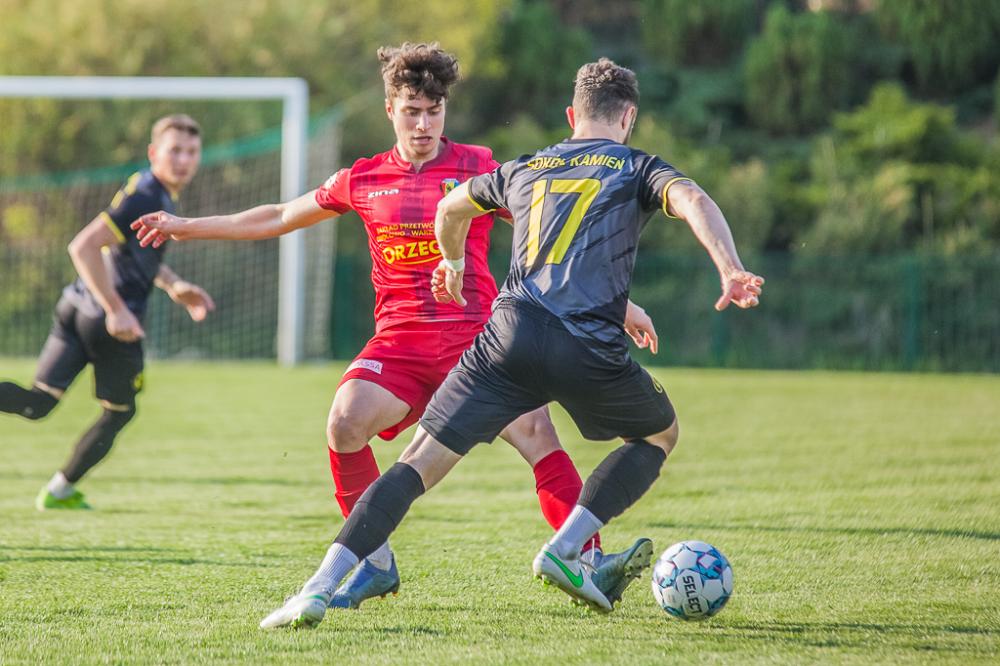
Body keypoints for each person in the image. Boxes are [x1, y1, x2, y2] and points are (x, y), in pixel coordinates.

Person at [131, 44, 659, 611]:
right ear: (390, 110)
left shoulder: (480, 168)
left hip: (479, 343)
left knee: (536, 434)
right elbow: (280, 215)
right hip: (400, 345)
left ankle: (586, 559)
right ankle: (375, 562)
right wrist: (186, 226)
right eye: (412, 111)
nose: (424, 124)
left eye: (434, 111)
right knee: (344, 423)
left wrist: (619, 304)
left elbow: (552, 235)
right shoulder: (363, 178)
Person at [255, 57, 765, 629]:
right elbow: (693, 199)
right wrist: (730, 268)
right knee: (658, 434)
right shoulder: (636, 166)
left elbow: (450, 207)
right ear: (628, 118)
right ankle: (568, 548)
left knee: (415, 464)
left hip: (505, 338)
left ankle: (318, 587)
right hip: (584, 341)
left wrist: (450, 262)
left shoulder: (526, 166)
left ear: (571, 116)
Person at [0, 114, 214, 510]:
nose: (184, 160)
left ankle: (59, 491)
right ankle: (59, 491)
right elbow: (82, 246)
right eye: (175, 151)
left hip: (76, 305)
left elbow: (129, 253)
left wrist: (173, 285)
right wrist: (116, 309)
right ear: (153, 153)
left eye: (191, 151)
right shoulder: (147, 195)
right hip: (108, 322)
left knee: (38, 403)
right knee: (119, 412)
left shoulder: (150, 189)